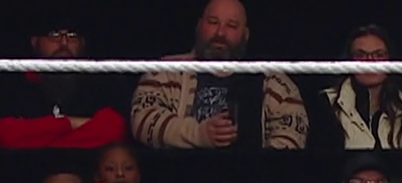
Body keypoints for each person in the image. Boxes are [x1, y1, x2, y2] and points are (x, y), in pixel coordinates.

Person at [130, 0, 308, 149]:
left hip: (249, 177)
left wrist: (258, 168)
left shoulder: (273, 80)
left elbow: (293, 132)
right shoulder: (167, 70)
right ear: (199, 26)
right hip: (180, 175)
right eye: (213, 22)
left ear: (245, 34)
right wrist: (199, 134)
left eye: (231, 26)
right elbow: (142, 120)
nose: (220, 33)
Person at [0, 18, 128, 150]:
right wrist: (71, 123)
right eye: (54, 35)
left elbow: (113, 130)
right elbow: (8, 135)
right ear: (35, 42)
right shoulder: (16, 81)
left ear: (82, 43)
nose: (64, 43)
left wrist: (40, 138)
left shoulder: (100, 82)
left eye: (72, 36)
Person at [310, 25, 402, 149]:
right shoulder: (326, 103)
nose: (370, 62)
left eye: (379, 55)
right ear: (349, 60)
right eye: (361, 55)